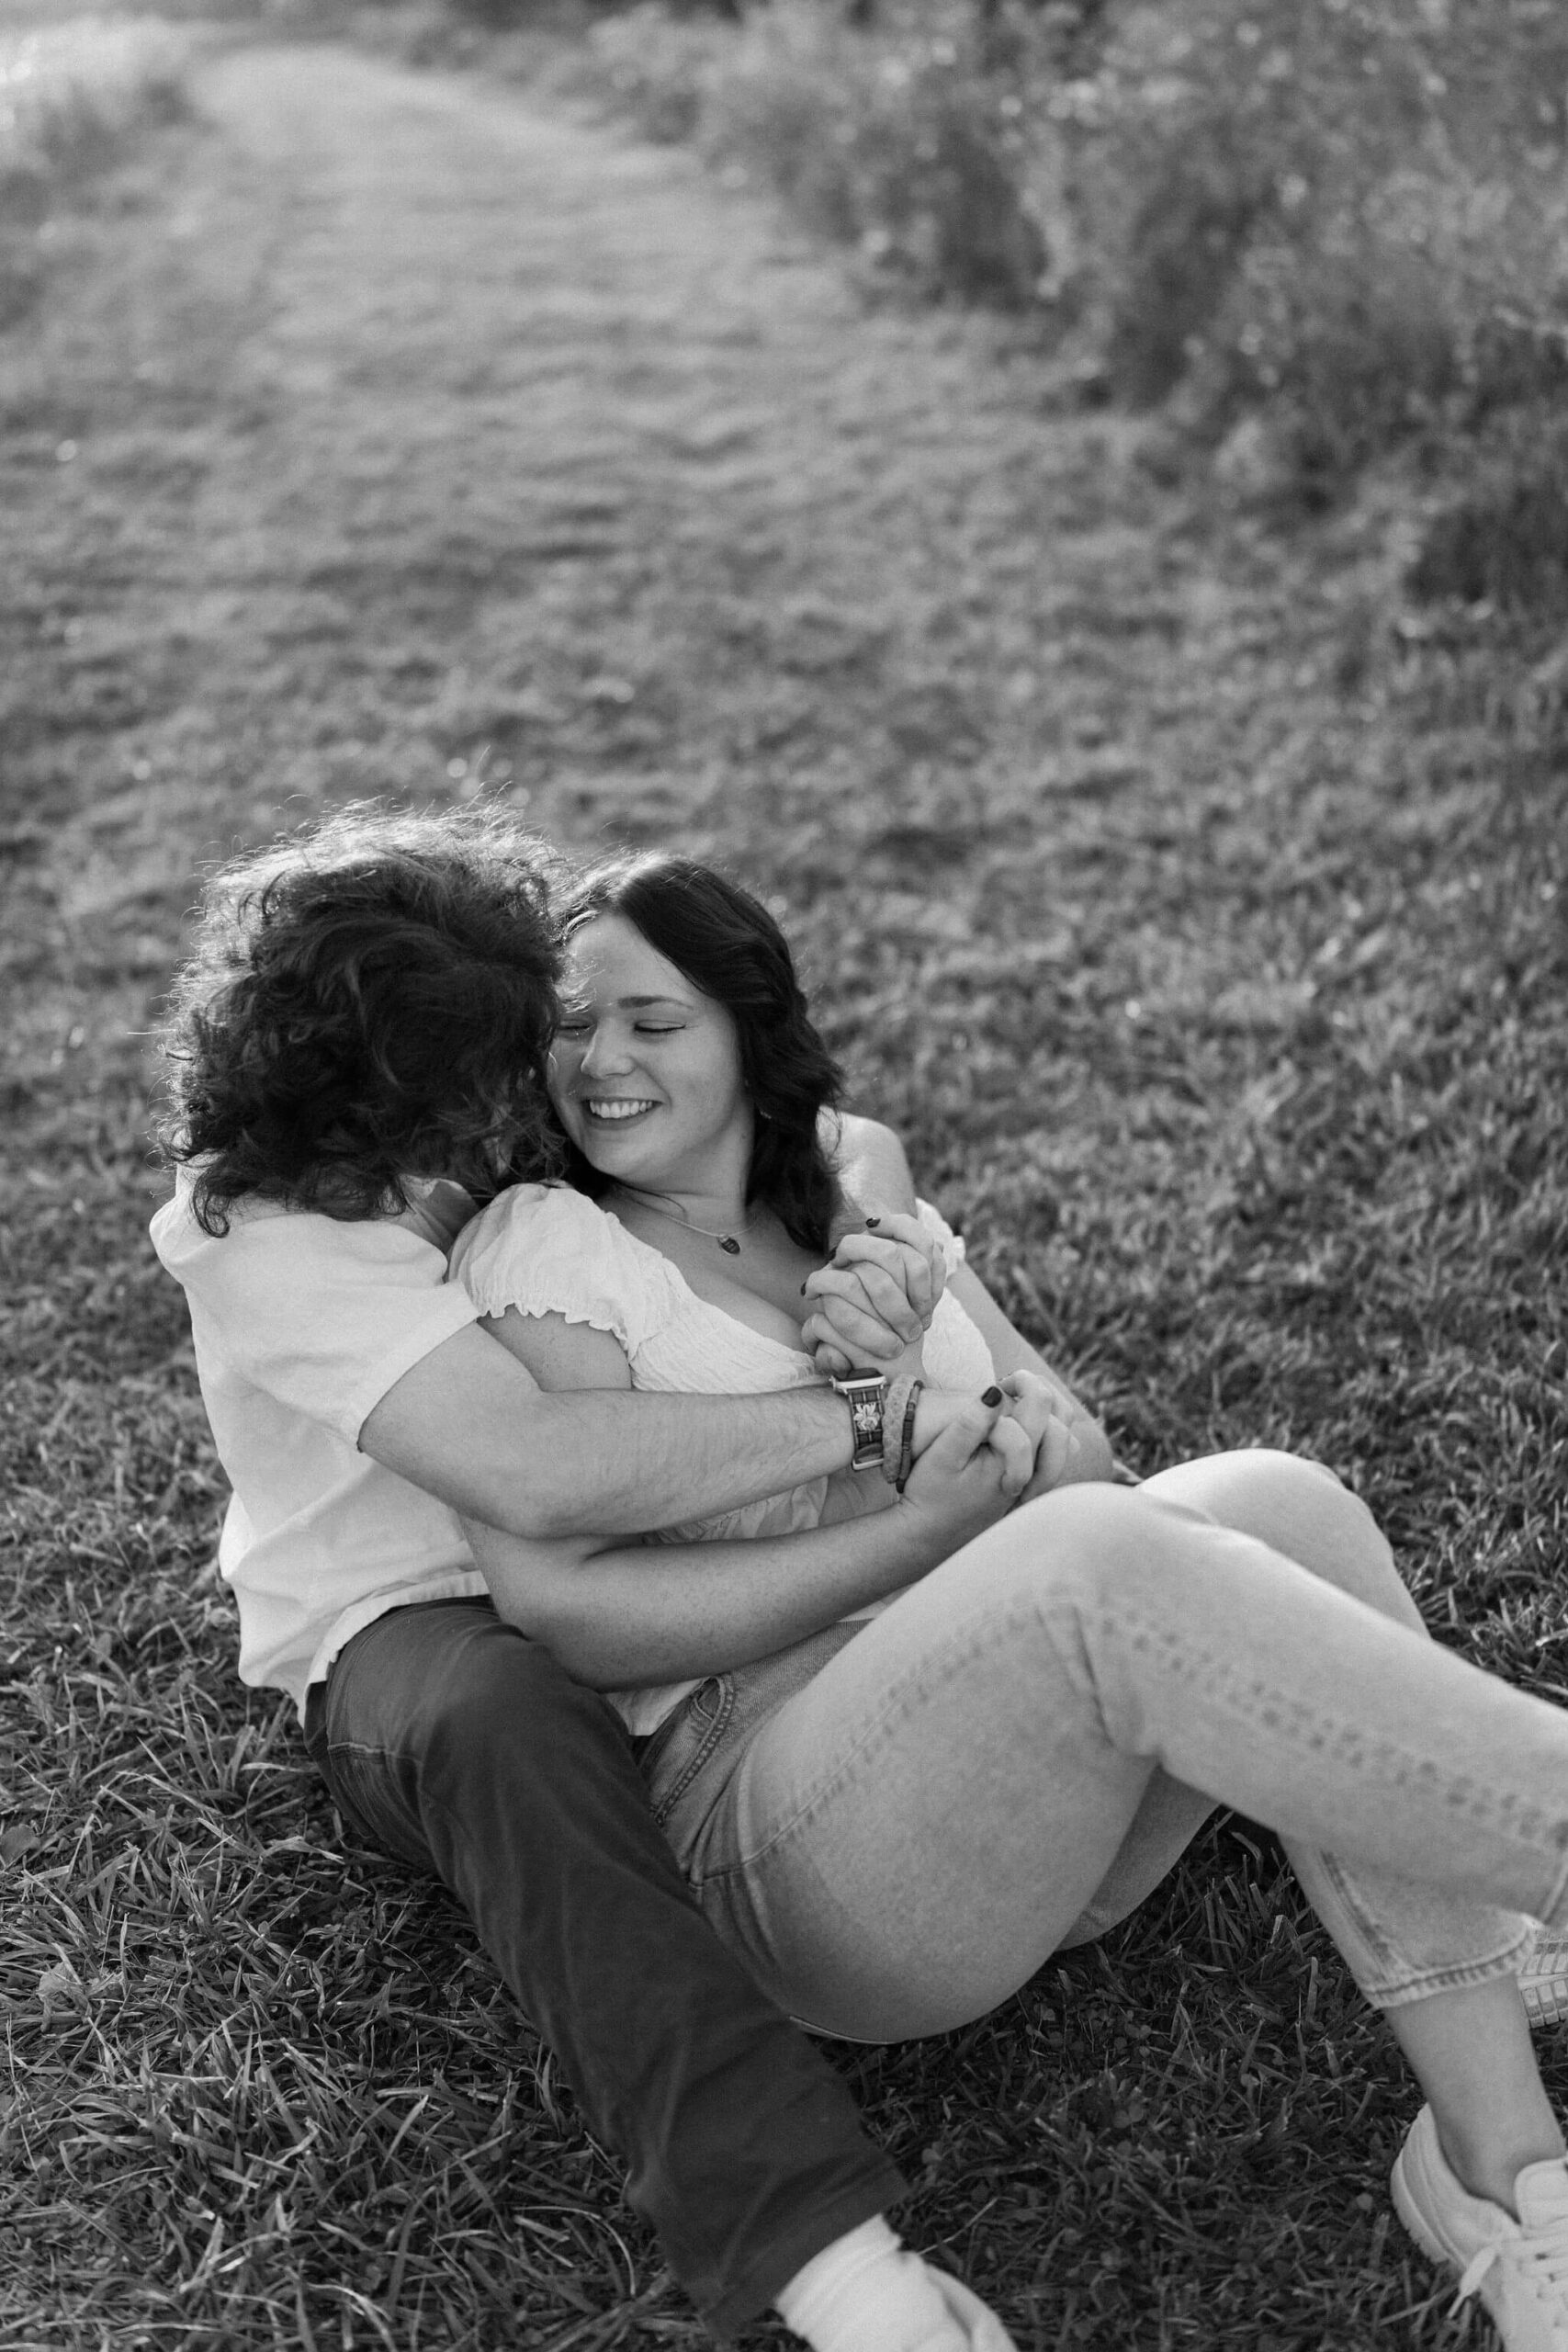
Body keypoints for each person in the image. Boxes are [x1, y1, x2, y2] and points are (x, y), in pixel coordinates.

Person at [447, 847, 1568, 2352]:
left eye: (651, 1019)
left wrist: (911, 1363)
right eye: (574, 1027)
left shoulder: (854, 1183)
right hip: (800, 1844)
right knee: (1092, 1565)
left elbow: (1081, 1459)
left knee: (1271, 1495)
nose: (601, 1060)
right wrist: (906, 1494)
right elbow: (576, 1616)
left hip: (1044, 1796)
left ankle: (1502, 2171)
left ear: (744, 1021)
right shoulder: (545, 1251)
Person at [150, 802, 1034, 2352]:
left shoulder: (517, 1133)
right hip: (415, 1626)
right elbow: (540, 1469)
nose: (515, 1112)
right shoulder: (259, 1228)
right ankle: (838, 2272)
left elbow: (769, 1135)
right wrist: (858, 1418)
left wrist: (870, 1244)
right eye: (472, 1090)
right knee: (516, 1721)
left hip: (653, 1567)